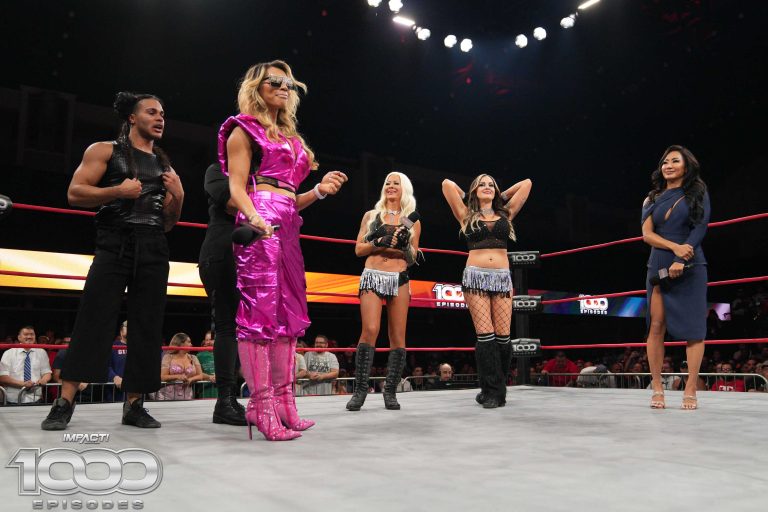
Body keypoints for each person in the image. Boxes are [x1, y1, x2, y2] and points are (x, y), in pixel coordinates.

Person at [219, 60, 347, 440]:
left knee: (290, 314)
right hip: (260, 215)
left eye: (288, 83)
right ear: (256, 87)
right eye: (274, 81)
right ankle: (261, 407)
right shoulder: (243, 129)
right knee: (259, 313)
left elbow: (291, 197)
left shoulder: (291, 138)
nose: (283, 87)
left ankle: (285, 405)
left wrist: (319, 191)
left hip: (289, 220)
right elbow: (237, 187)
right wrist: (254, 217)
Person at [41, 91, 184, 430]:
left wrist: (179, 195)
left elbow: (168, 222)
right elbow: (75, 193)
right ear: (132, 117)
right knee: (94, 317)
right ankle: (64, 402)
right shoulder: (104, 150)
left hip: (153, 246)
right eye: (152, 112)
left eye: (162, 114)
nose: (160, 118)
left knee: (147, 324)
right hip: (115, 241)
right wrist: (117, 191)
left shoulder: (165, 166)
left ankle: (134, 405)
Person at [442, 174, 532, 408]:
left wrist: (501, 195)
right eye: (481, 184)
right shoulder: (466, 215)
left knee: (503, 337)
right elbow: (446, 184)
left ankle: (491, 388)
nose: (487, 187)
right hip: (475, 277)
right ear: (474, 191)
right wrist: (468, 195)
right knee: (486, 336)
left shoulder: (506, 213)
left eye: (491, 184)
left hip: (501, 278)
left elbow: (527, 183)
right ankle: (494, 392)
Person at [642, 145, 710, 410]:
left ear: (686, 166)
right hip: (659, 262)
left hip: (692, 263)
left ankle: (691, 388)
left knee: (694, 329)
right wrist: (674, 249)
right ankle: (657, 387)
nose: (668, 166)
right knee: (656, 326)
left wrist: (682, 258)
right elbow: (647, 235)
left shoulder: (698, 192)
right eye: (665, 162)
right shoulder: (651, 198)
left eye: (675, 161)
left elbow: (700, 228)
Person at [346, 172, 421, 411]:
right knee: (370, 329)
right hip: (373, 275)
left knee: (398, 336)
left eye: (395, 183)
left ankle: (390, 392)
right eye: (387, 182)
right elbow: (358, 250)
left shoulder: (410, 220)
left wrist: (404, 246)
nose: (390, 186)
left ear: (404, 189)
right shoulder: (372, 216)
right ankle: (360, 391)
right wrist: (378, 242)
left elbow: (412, 258)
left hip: (399, 278)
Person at [0, 326, 52, 404]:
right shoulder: (9, 353)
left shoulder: (41, 352)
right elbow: (3, 377)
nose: (29, 337)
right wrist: (23, 384)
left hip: (35, 398)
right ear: (19, 337)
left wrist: (44, 380)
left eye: (32, 334)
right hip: (12, 399)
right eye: (26, 334)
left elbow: (47, 372)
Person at [157, 333, 204, 400]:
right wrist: (178, 376)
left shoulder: (193, 358)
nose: (191, 344)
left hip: (187, 396)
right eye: (189, 342)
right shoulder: (168, 357)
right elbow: (163, 377)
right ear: (181, 343)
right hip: (168, 397)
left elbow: (200, 375)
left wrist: (191, 379)